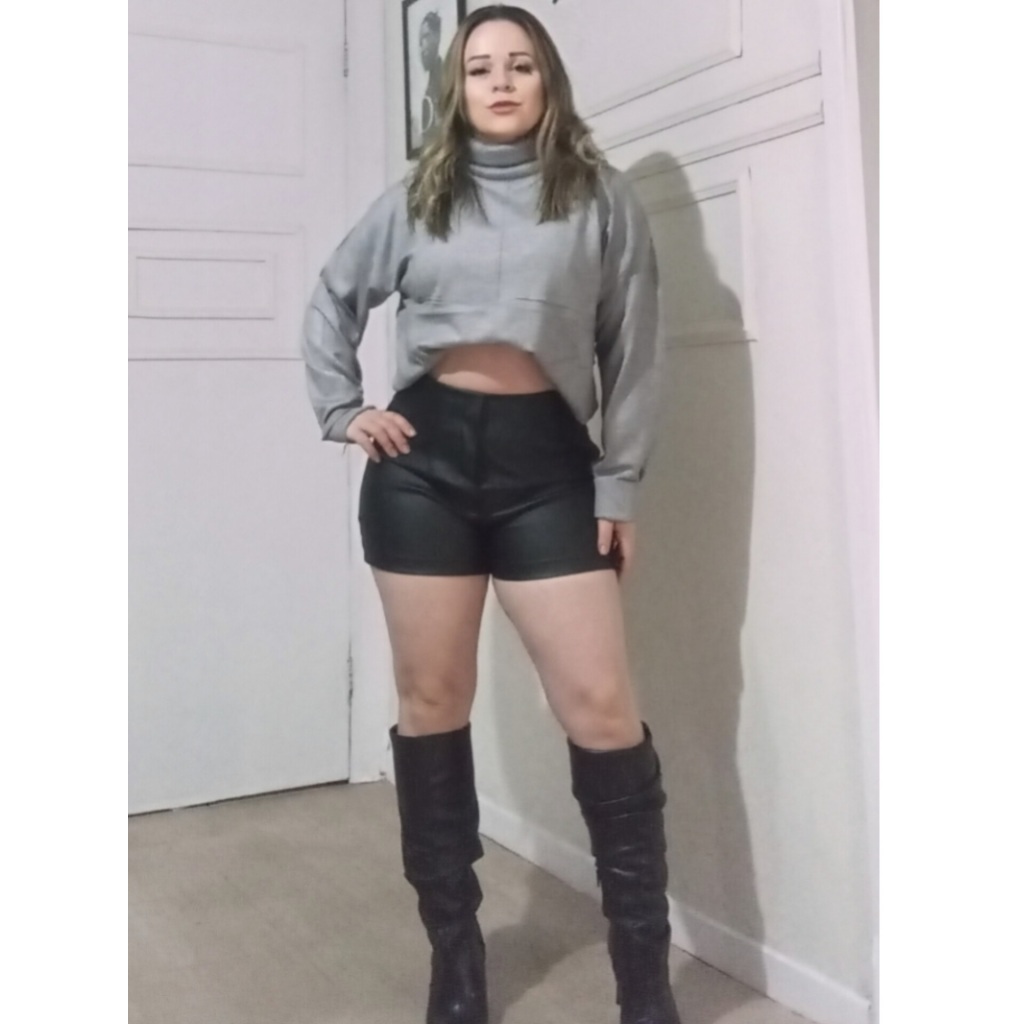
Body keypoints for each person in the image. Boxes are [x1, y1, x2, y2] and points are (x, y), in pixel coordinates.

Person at [301, 5, 680, 1023]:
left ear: (548, 80)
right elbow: (332, 299)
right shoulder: (417, 198)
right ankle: (456, 961)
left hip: (549, 468)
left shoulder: (600, 199)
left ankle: (645, 983)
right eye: (479, 68)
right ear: (456, 89)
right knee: (433, 700)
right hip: (421, 467)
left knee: (601, 707)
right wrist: (344, 409)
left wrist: (620, 483)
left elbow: (634, 348)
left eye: (519, 64)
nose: (500, 82)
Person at [419, 11, 444, 147]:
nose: (422, 47)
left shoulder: (445, 78)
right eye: (420, 41)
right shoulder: (431, 83)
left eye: (426, 37)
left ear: (437, 37)